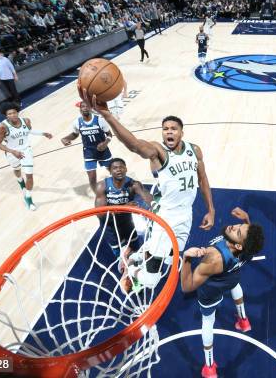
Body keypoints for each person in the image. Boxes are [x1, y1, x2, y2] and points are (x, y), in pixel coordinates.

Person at [79, 85, 215, 289]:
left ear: (181, 132)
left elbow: (203, 179)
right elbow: (134, 144)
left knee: (170, 258)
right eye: (165, 129)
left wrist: (211, 210)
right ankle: (134, 276)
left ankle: (134, 258)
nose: (169, 132)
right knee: (152, 279)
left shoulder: (194, 151)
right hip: (166, 215)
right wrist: (107, 116)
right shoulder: (158, 151)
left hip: (186, 214)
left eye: (173, 129)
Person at [180, 207, 264, 378]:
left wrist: (186, 258)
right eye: (239, 226)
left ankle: (209, 367)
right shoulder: (247, 250)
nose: (234, 226)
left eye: (239, 231)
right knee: (235, 285)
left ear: (239, 245)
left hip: (212, 290)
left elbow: (187, 287)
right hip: (231, 275)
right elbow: (249, 240)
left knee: (208, 321)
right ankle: (243, 321)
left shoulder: (213, 258)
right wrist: (247, 219)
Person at [95, 158, 152, 274]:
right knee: (121, 256)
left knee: (136, 250)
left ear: (126, 169)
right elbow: (100, 214)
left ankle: (136, 271)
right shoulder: (102, 186)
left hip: (127, 223)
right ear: (109, 171)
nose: (119, 170)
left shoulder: (134, 185)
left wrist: (154, 204)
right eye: (115, 168)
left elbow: (148, 197)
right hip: (110, 226)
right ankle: (126, 273)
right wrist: (125, 207)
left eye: (121, 167)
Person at [0, 102, 53, 210]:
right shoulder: (2, 127)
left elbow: (29, 131)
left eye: (14, 113)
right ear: (6, 116)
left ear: (17, 112)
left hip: (26, 151)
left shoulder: (26, 121)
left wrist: (43, 133)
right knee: (17, 170)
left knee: (29, 175)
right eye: (9, 114)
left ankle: (28, 198)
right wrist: (12, 151)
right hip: (12, 153)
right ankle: (21, 183)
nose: (12, 115)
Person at [61, 100, 113, 194]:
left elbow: (109, 134)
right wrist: (65, 138)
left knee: (112, 170)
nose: (85, 108)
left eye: (87, 106)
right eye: (83, 106)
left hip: (103, 150)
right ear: (80, 109)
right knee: (92, 177)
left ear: (90, 108)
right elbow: (75, 134)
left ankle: (116, 189)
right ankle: (97, 195)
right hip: (89, 152)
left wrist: (105, 143)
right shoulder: (77, 122)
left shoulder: (99, 120)